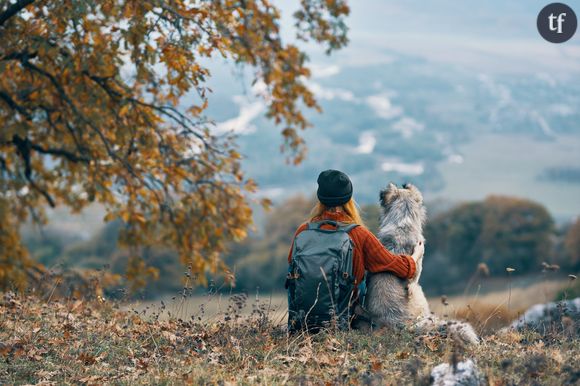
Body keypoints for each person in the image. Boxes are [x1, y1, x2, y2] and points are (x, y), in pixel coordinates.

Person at [286, 169, 424, 331]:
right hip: (341, 321)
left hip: (301, 323)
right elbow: (395, 265)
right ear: (348, 199)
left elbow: (292, 268)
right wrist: (415, 256)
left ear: (320, 198)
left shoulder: (303, 231)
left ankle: (296, 325)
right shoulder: (358, 233)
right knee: (364, 278)